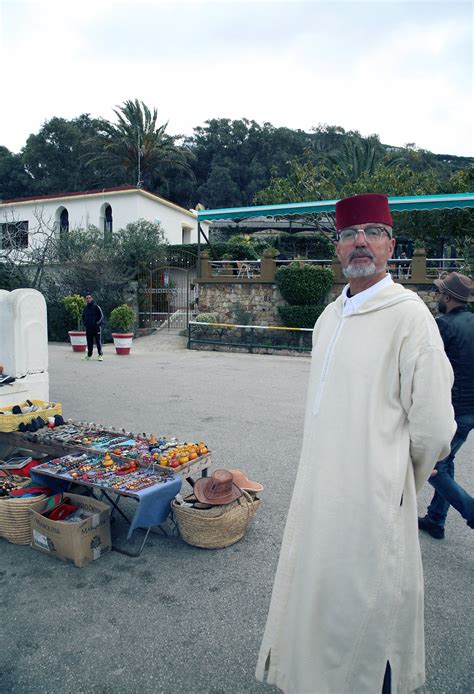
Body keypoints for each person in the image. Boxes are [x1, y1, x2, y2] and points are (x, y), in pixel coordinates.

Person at [255, 193, 456, 694]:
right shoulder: (329, 319)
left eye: (372, 231)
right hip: (321, 493)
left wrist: (392, 477)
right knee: (320, 598)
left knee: (373, 607)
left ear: (391, 245)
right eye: (348, 234)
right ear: (337, 249)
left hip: (374, 500)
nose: (360, 242)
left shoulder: (411, 318)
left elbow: (434, 426)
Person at [418, 272, 474, 538]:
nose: (438, 297)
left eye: (440, 293)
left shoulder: (443, 325)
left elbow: (429, 368)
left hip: (452, 409)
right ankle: (436, 519)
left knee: (430, 466)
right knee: (446, 461)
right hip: (470, 410)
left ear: (448, 297)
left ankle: (471, 511)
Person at [82, 291, 104, 361]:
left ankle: (100, 355)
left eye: (89, 298)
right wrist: (85, 324)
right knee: (89, 342)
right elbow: (83, 317)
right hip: (88, 329)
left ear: (92, 298)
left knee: (98, 342)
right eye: (87, 298)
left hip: (96, 328)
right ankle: (89, 355)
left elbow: (101, 316)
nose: (88, 299)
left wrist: (96, 324)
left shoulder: (96, 307)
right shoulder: (85, 308)